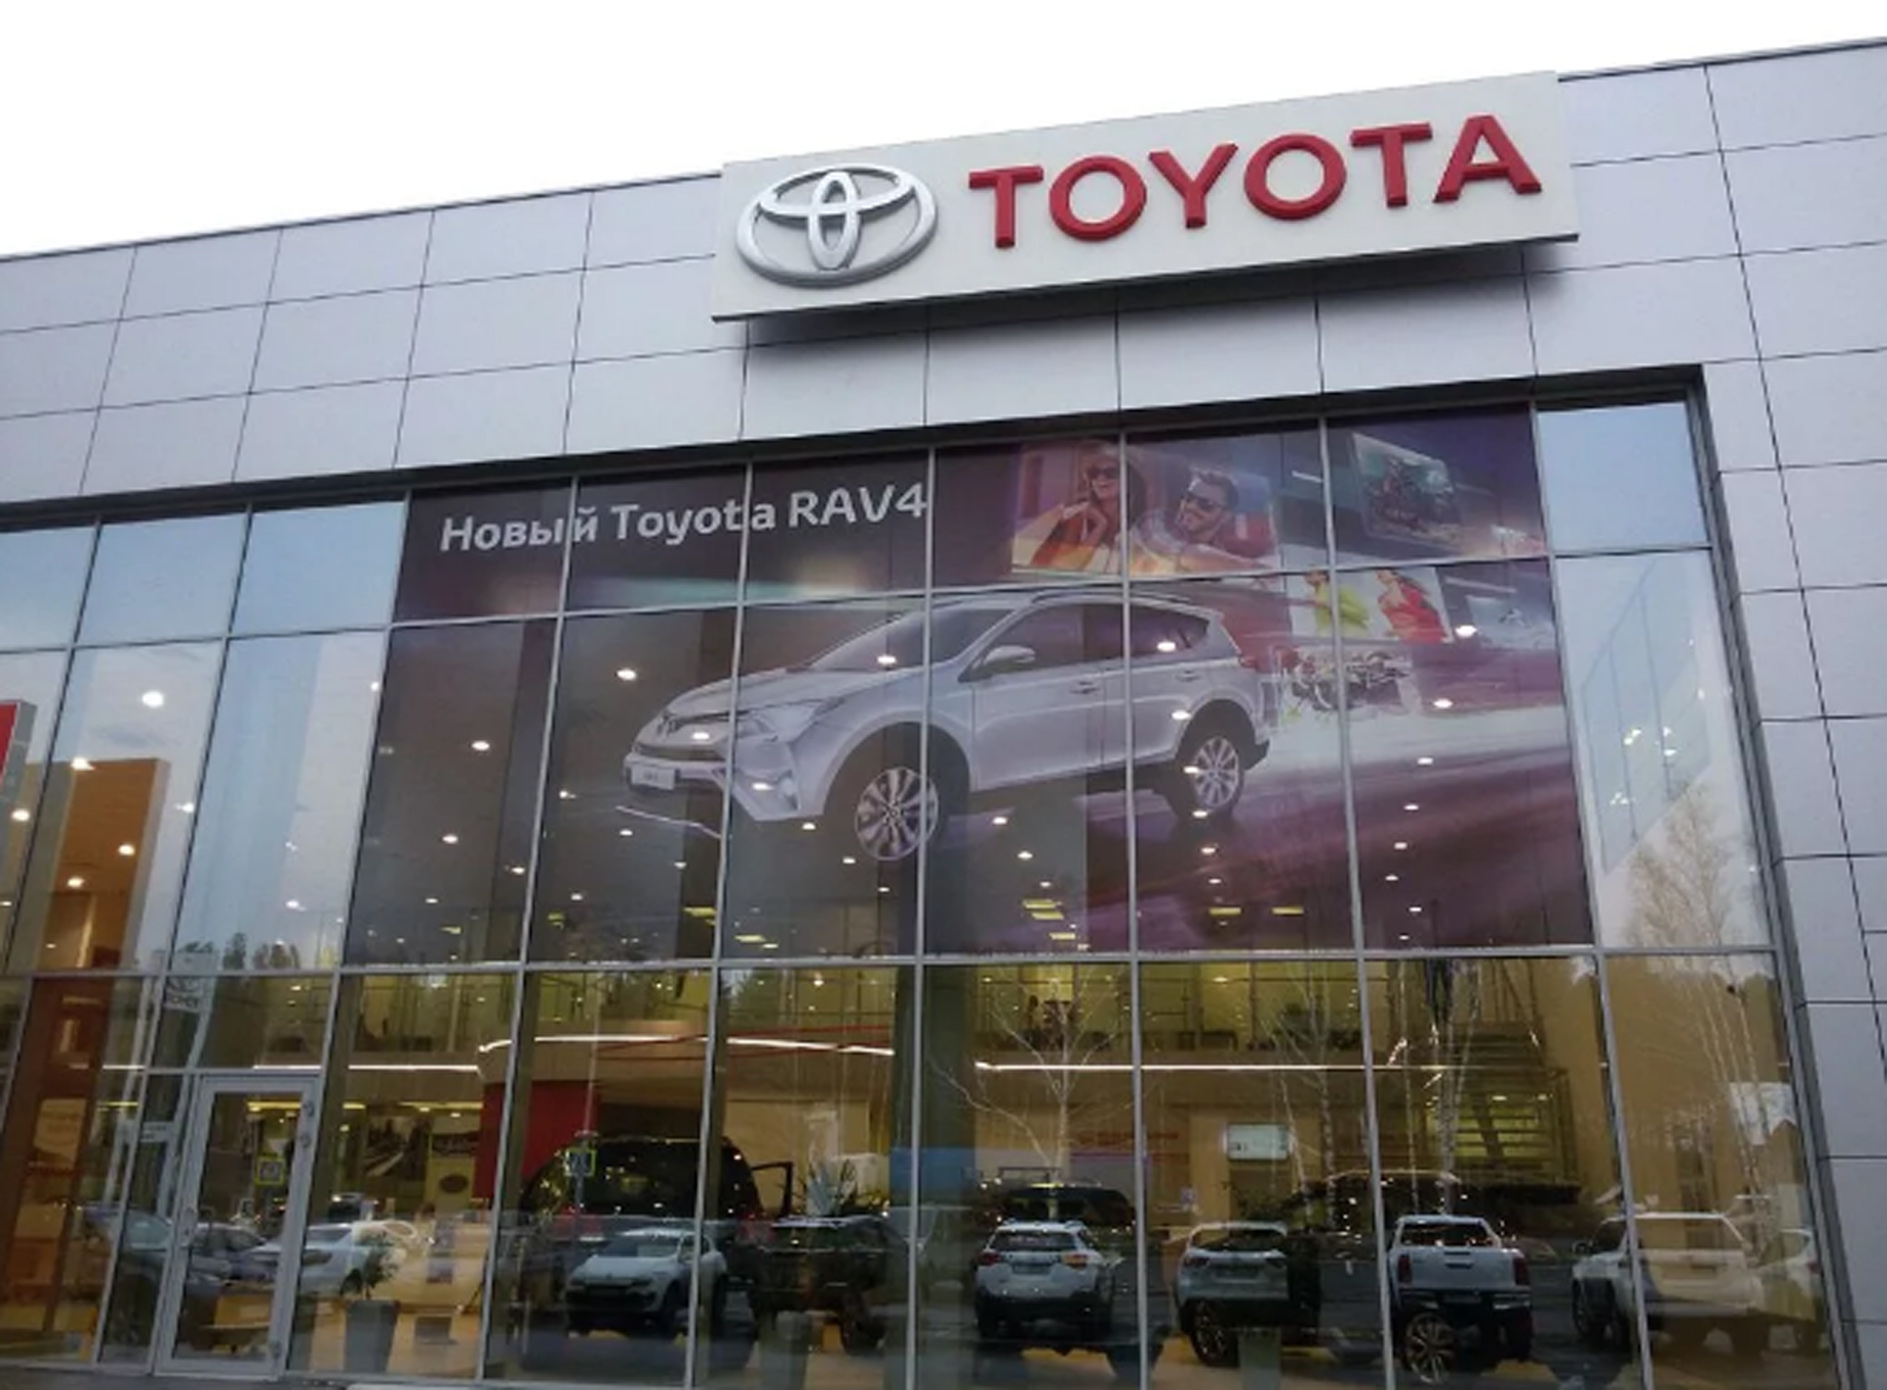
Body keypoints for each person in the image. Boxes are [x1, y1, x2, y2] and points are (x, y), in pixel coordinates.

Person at [1013, 441, 1139, 574]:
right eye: (1094, 473)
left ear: (1128, 479)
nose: (1101, 478)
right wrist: (1100, 527)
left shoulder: (1139, 522)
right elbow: (1063, 568)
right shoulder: (1078, 518)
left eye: (1111, 472)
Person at [1128, 468, 1251, 575]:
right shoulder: (1155, 522)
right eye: (1189, 498)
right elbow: (1184, 555)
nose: (1191, 506)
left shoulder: (1220, 552)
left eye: (1206, 504)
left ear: (1225, 516)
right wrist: (1251, 568)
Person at [1375, 568, 1447, 643]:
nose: (1379, 573)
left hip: (1423, 638)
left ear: (1395, 575)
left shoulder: (1411, 594)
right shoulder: (1382, 598)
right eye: (1377, 573)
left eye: (1382, 571)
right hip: (1407, 640)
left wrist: (1400, 631)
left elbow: (1426, 617)